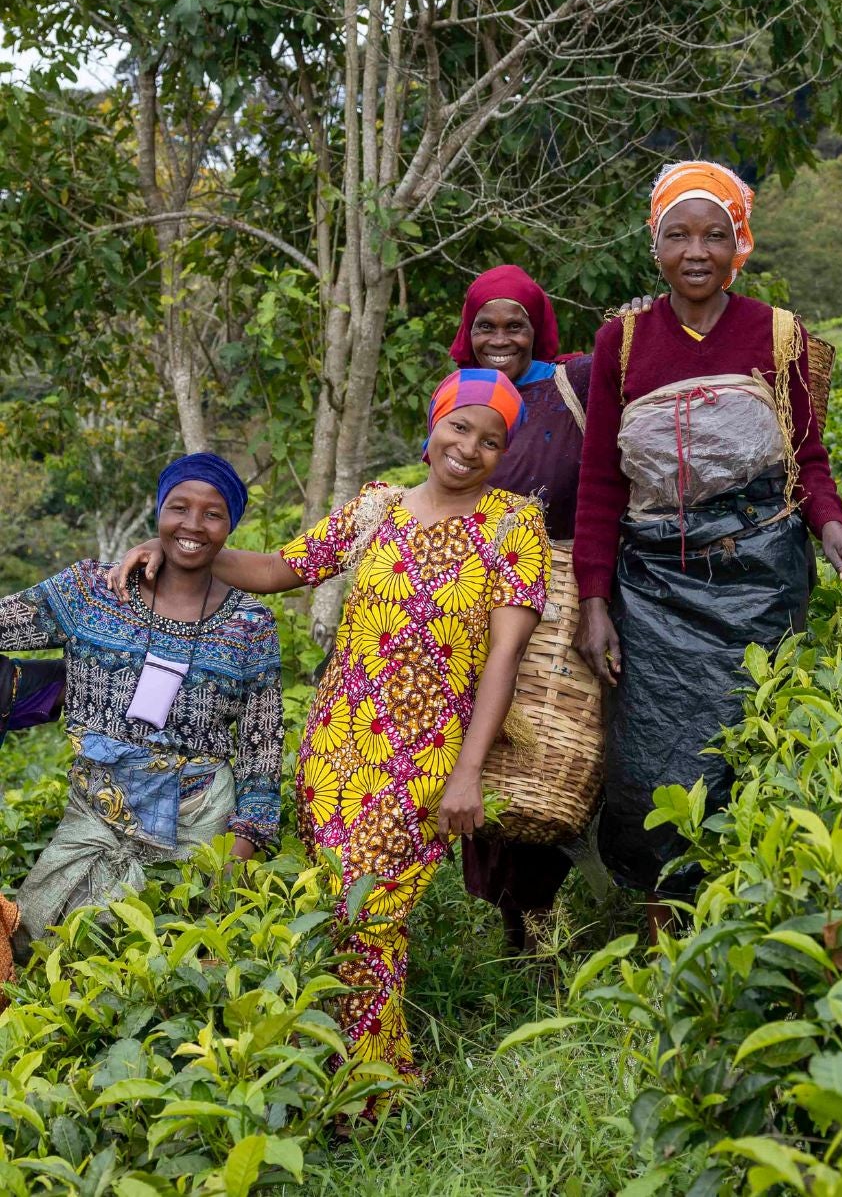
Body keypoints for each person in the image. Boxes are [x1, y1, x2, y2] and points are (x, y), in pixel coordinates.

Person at [112, 371, 549, 1081]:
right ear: (434, 422)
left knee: (370, 912)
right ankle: (357, 1075)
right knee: (338, 915)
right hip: (335, 750)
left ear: (504, 454)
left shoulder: (511, 525)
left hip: (424, 758)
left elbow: (505, 656)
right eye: (460, 427)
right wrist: (184, 548)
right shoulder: (378, 507)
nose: (469, 449)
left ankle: (367, 1091)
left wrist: (468, 770)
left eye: (491, 440)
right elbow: (284, 566)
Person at [572, 160, 842, 928]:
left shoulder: (777, 333)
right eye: (679, 235)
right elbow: (603, 481)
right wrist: (595, 600)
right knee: (650, 755)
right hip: (653, 580)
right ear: (656, 246)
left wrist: (832, 526)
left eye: (715, 234)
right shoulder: (624, 341)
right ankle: (665, 914)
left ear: (741, 242)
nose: (696, 252)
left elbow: (807, 457)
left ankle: (753, 907)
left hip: (760, 573)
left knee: (753, 737)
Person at [0, 454, 283, 961]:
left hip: (197, 829)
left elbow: (262, 754)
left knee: (169, 983)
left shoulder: (250, 624)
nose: (193, 525)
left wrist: (235, 865)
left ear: (230, 527)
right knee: (34, 954)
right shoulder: (92, 591)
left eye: (213, 514)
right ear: (158, 512)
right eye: (179, 508)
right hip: (92, 818)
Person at [447, 264, 591, 950]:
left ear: (540, 330)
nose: (500, 338)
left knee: (550, 756)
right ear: (467, 333)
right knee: (487, 750)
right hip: (478, 601)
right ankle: (510, 927)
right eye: (486, 325)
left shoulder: (573, 385)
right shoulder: (463, 400)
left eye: (516, 325)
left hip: (558, 604)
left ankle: (545, 923)